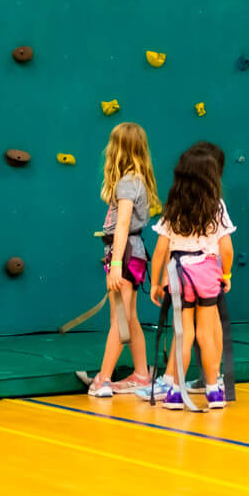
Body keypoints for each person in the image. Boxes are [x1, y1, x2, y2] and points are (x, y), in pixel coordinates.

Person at [150, 147, 235, 409]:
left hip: (180, 274)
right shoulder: (216, 206)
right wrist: (226, 274)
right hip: (208, 271)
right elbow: (227, 248)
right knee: (206, 335)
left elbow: (161, 249)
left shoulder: (173, 206)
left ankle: (176, 392)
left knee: (183, 334)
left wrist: (155, 282)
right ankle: (214, 390)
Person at [87, 122, 158, 398]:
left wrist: (116, 263)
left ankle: (103, 379)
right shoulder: (135, 178)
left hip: (126, 253)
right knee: (129, 317)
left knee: (119, 319)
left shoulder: (128, 181)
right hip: (130, 251)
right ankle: (141, 373)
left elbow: (124, 223)